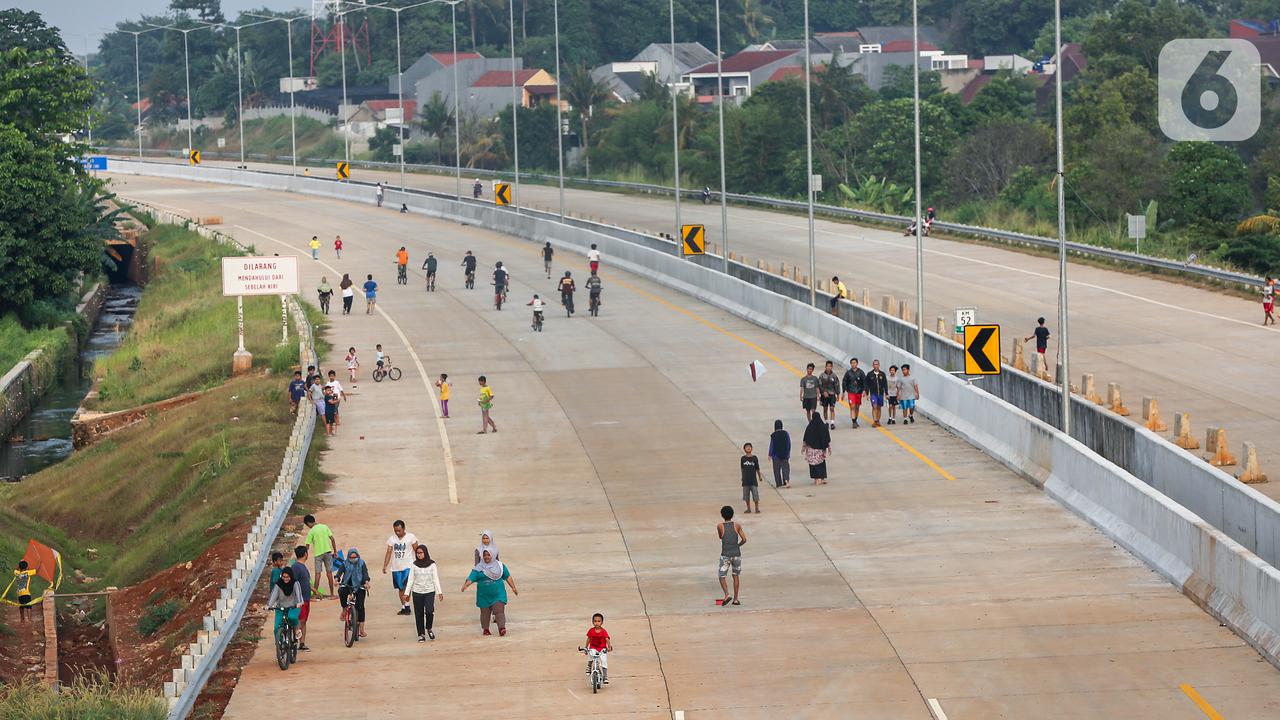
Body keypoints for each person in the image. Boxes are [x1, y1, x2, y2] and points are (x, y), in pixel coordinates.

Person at [460, 548, 518, 636]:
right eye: (484, 555)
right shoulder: (478, 568)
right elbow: (471, 578)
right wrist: (466, 585)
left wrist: (513, 587)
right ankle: (486, 629)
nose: (486, 557)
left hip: (498, 595)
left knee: (499, 611)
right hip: (483, 596)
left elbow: (508, 576)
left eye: (488, 555)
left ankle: (501, 628)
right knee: (485, 613)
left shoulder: (500, 566)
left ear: (493, 555)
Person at [404, 544, 443, 642]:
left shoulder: (432, 564)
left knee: (429, 611)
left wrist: (439, 592)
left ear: (425, 553)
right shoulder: (414, 565)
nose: (419, 555)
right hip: (417, 592)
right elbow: (410, 580)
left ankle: (429, 628)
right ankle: (421, 634)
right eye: (417, 553)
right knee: (419, 614)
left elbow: (435, 579)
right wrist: (406, 593)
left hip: (429, 591)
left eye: (421, 553)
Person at [382, 520, 420, 616]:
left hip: (408, 566)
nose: (397, 533)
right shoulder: (392, 539)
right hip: (396, 567)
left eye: (399, 530)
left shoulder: (411, 537)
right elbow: (389, 552)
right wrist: (385, 565)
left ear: (403, 529)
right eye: (395, 531)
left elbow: (417, 550)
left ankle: (407, 606)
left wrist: (420, 562)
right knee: (400, 588)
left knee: (407, 586)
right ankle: (404, 606)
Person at [267, 566, 305, 648]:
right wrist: (269, 605)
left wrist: (299, 603)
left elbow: (299, 597)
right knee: (277, 628)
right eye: (283, 577)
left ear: (291, 576)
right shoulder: (278, 585)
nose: (285, 579)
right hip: (281, 608)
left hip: (293, 607)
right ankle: (280, 644)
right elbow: (273, 596)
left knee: (292, 617)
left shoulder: (295, 583)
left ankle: (296, 630)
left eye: (287, 577)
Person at [337, 547, 371, 639]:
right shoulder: (345, 564)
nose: (353, 559)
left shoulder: (362, 563)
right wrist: (336, 579)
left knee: (360, 607)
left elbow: (365, 574)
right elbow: (339, 573)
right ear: (348, 557)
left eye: (355, 557)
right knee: (341, 591)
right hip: (347, 585)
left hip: (359, 585)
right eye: (351, 557)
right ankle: (344, 609)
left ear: (358, 556)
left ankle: (361, 630)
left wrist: (367, 583)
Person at [716, 505, 745, 606]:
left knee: (722, 575)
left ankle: (727, 595)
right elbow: (744, 539)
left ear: (722, 515)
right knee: (735, 575)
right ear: (732, 514)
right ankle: (736, 599)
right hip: (736, 554)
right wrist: (737, 545)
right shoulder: (737, 525)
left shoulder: (720, 526)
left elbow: (720, 537)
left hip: (726, 555)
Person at [304, 514, 338, 599]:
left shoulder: (311, 531)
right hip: (328, 552)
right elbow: (332, 539)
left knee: (317, 574)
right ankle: (332, 594)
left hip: (318, 554)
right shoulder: (324, 527)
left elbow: (307, 545)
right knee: (329, 573)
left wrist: (304, 554)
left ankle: (315, 594)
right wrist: (335, 551)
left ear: (308, 523)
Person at [290, 545, 313, 651]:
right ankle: (295, 640)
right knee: (300, 620)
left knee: (303, 621)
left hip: (306, 598)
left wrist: (313, 590)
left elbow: (306, 582)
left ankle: (302, 642)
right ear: (305, 554)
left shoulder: (301, 566)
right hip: (300, 599)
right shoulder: (296, 567)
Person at [802, 413, 831, 486]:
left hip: (811, 450)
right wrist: (828, 447)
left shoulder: (810, 427)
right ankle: (821, 478)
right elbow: (826, 438)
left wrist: (803, 448)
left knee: (813, 465)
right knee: (821, 463)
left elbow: (806, 438)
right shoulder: (823, 426)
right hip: (820, 450)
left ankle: (816, 479)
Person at [584, 612, 613, 684]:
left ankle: (605, 676)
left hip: (602, 648)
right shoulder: (591, 631)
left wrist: (609, 647)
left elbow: (607, 639)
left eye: (599, 621)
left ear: (602, 622)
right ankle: (589, 666)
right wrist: (585, 647)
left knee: (604, 661)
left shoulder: (603, 631)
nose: (597, 623)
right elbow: (588, 639)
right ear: (592, 622)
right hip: (593, 647)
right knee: (591, 655)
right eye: (595, 621)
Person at [740, 442, 763, 514]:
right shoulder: (743, 458)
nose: (748, 448)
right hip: (745, 481)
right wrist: (742, 477)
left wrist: (759, 476)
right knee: (746, 496)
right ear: (744, 449)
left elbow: (757, 468)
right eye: (747, 447)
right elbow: (742, 468)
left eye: (749, 447)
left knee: (755, 495)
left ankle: (757, 508)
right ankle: (748, 508)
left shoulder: (754, 458)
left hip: (753, 481)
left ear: (752, 448)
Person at [842, 358, 866, 429]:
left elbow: (864, 382)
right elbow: (844, 382)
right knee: (852, 406)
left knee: (857, 407)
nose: (853, 364)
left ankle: (855, 419)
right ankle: (853, 422)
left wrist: (864, 390)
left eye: (854, 363)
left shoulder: (861, 372)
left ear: (857, 363)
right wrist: (844, 391)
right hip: (851, 392)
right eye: (852, 363)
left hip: (859, 392)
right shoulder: (848, 373)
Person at [767, 419, 790, 489]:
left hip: (775, 455)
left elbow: (772, 445)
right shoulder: (786, 433)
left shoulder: (773, 435)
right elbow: (789, 443)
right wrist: (788, 453)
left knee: (776, 469)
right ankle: (786, 481)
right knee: (785, 468)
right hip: (785, 454)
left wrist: (770, 454)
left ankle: (778, 483)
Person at [818, 360, 840, 430]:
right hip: (824, 394)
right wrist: (823, 392)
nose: (828, 367)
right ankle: (826, 422)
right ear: (825, 367)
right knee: (825, 408)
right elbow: (820, 385)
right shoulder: (822, 375)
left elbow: (837, 385)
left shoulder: (834, 375)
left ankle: (832, 423)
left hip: (832, 394)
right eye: (827, 366)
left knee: (832, 408)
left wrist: (838, 394)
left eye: (830, 366)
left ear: (832, 367)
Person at [865, 360, 887, 427]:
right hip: (873, 393)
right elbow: (867, 384)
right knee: (874, 406)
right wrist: (867, 393)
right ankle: (875, 420)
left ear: (879, 365)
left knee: (879, 407)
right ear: (873, 365)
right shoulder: (870, 374)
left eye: (877, 364)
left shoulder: (882, 374)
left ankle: (878, 420)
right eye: (874, 364)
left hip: (880, 393)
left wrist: (886, 393)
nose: (875, 366)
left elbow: (885, 384)